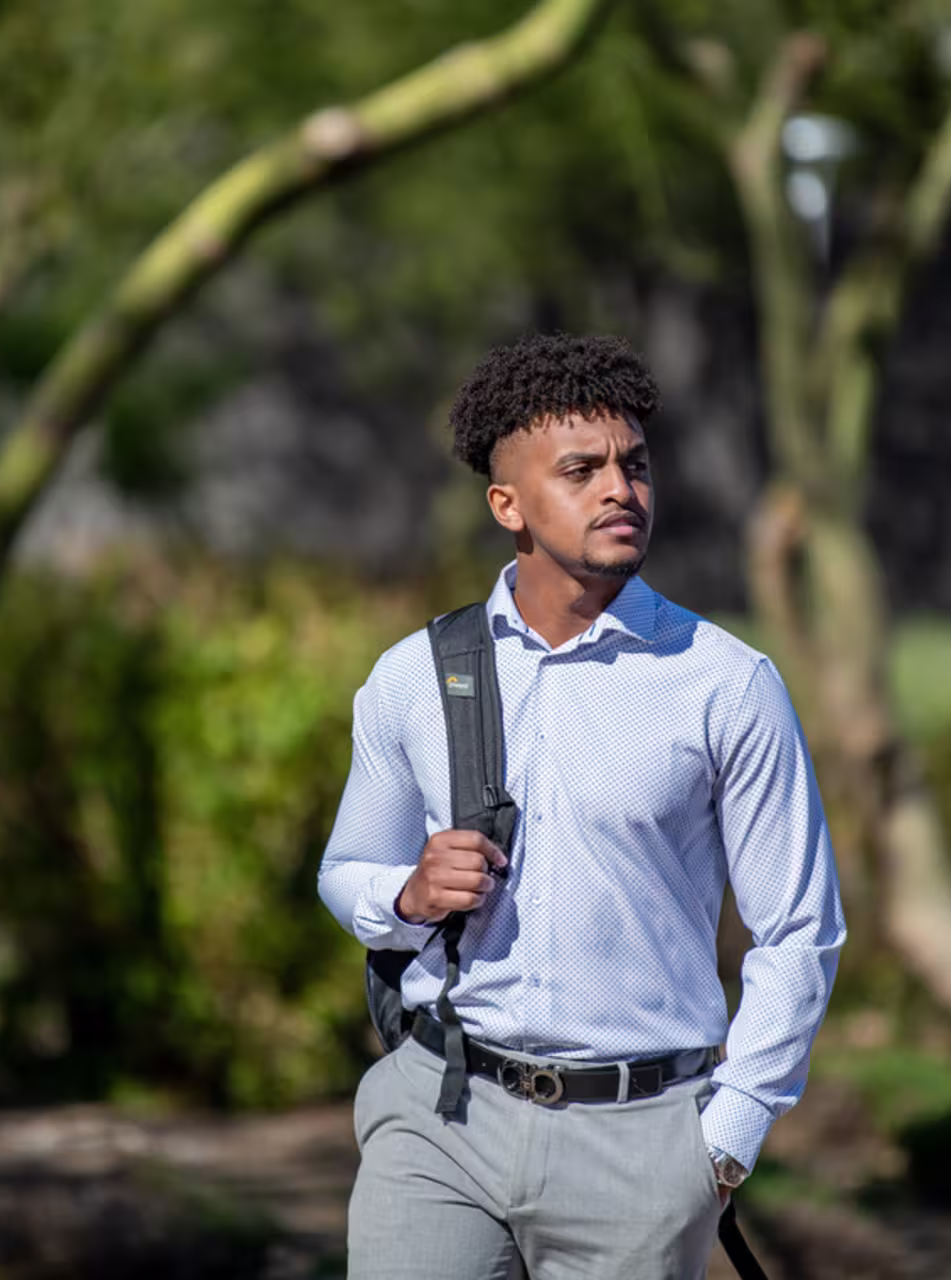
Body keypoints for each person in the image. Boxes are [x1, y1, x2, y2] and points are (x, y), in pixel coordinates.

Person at [318, 332, 845, 1280]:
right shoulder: (414, 677)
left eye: (633, 465)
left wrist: (725, 1139)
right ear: (507, 505)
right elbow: (345, 870)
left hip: (641, 1141)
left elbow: (799, 931)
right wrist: (407, 895)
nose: (620, 490)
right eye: (581, 470)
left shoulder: (724, 684)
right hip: (442, 1114)